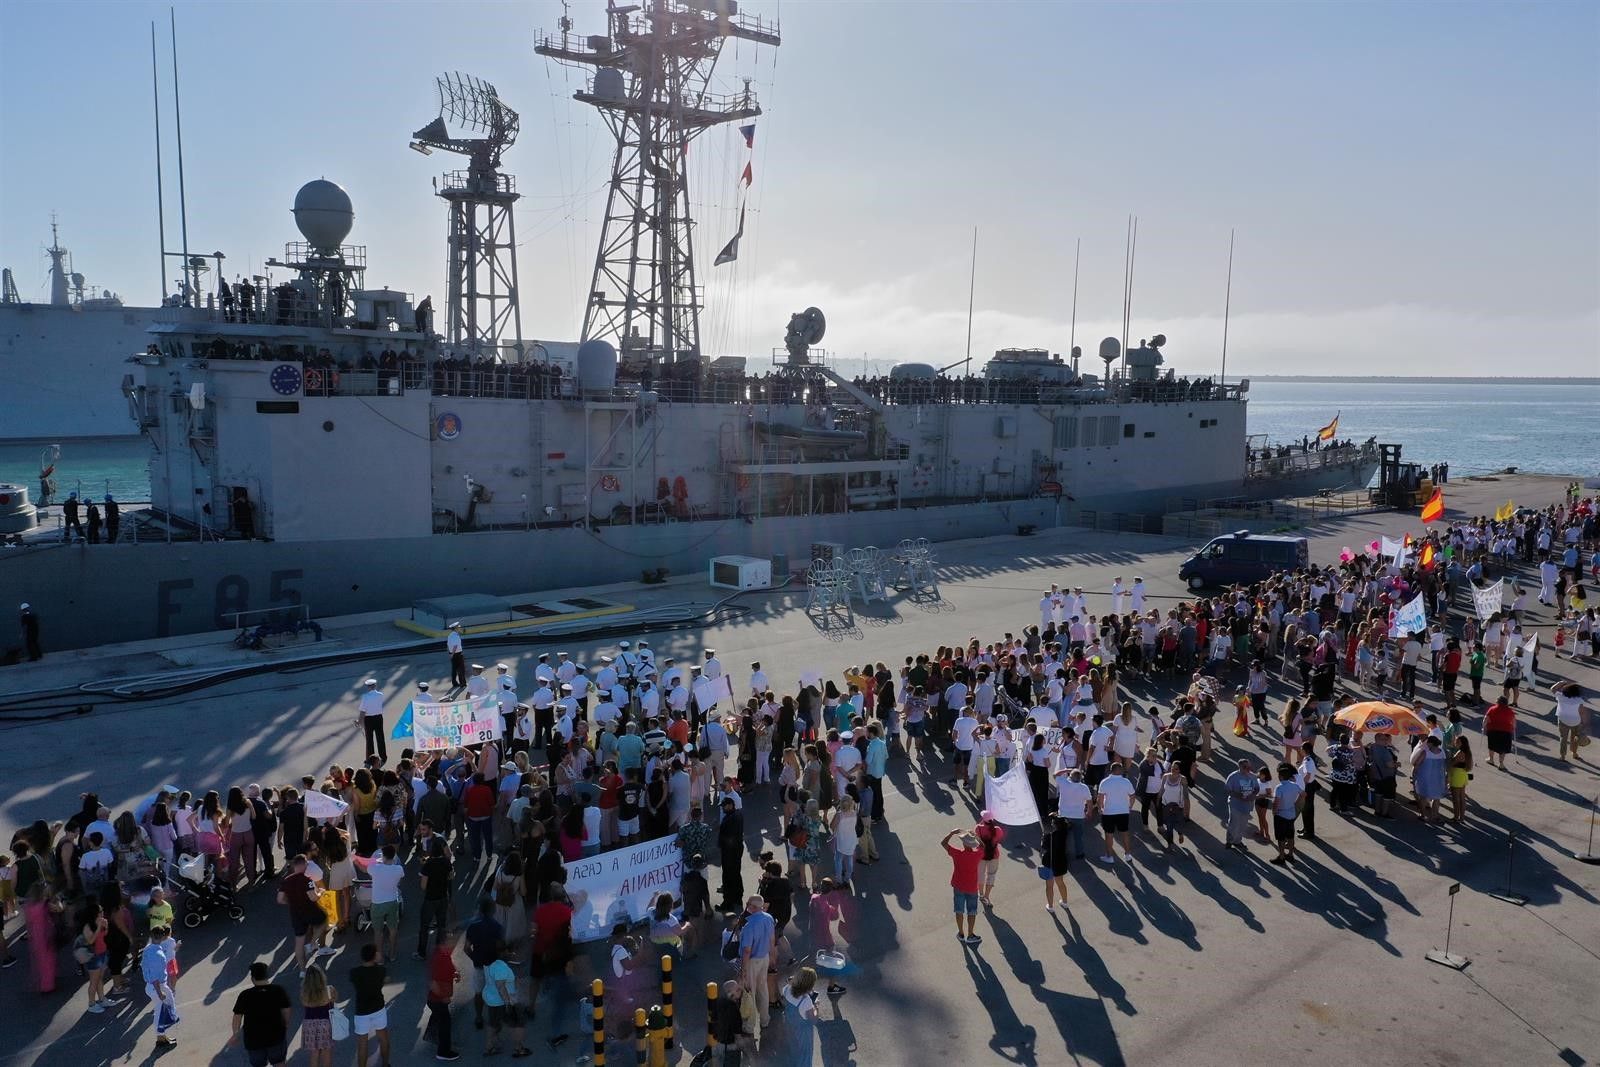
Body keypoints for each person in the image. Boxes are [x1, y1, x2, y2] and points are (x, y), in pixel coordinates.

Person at [229, 961, 293, 1067]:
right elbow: (287, 1010)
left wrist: (235, 1034)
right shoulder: (278, 990)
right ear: (266, 976)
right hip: (276, 1036)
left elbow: (237, 1016)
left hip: (254, 1041)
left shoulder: (245, 995)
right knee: (280, 1063)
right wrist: (285, 1024)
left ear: (252, 978)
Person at [737, 896, 776, 1041]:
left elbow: (747, 951)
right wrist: (772, 955)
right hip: (764, 957)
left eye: (748, 904)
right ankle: (765, 1020)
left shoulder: (749, 926)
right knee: (763, 988)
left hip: (752, 961)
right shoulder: (768, 918)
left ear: (752, 906)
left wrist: (743, 970)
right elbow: (772, 938)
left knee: (750, 992)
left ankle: (749, 1026)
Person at [481, 943, 530, 1057]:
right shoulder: (500, 966)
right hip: (502, 1001)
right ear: (500, 953)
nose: (509, 953)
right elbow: (501, 986)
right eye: (506, 951)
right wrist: (508, 1003)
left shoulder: (488, 963)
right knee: (517, 1023)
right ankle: (519, 1049)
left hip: (491, 998)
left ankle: (489, 1047)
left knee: (493, 1023)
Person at [350, 943, 392, 1067]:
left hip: (361, 1012)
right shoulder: (381, 971)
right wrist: (379, 961)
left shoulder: (355, 973)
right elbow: (386, 979)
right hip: (378, 1009)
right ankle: (385, 1064)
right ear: (374, 956)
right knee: (383, 1038)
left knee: (362, 1044)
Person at [941, 828, 983, 944]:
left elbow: (943, 843)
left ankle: (961, 933)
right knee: (972, 911)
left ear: (964, 844)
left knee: (959, 910)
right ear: (973, 844)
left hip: (958, 885)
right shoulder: (977, 854)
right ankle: (970, 935)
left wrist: (951, 833)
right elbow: (983, 847)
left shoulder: (957, 853)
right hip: (972, 887)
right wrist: (976, 836)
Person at [141, 924, 180, 1048]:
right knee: (160, 1012)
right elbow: (155, 977)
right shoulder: (158, 954)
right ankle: (160, 1038)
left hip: (153, 986)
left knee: (167, 1005)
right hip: (157, 987)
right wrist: (159, 992)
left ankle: (162, 1036)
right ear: (163, 937)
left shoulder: (148, 948)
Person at [1095, 760, 1136, 864]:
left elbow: (1100, 798)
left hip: (1108, 812)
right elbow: (1132, 796)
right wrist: (1129, 807)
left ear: (1111, 770)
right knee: (1125, 833)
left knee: (1109, 835)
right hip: (1123, 812)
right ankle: (1127, 855)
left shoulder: (1105, 782)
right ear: (1121, 770)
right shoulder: (1126, 782)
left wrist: (1100, 809)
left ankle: (1109, 857)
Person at [780, 967, 820, 1067]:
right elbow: (813, 1020)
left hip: (789, 1027)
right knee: (804, 1059)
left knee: (791, 1053)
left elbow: (783, 1001)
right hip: (803, 1035)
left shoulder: (787, 989)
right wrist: (816, 1006)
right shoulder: (806, 1001)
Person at [300, 966, 337, 1067]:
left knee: (314, 1053)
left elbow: (304, 1004)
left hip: (309, 1024)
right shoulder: (329, 989)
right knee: (326, 1053)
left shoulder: (304, 993)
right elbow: (334, 1000)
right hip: (325, 1023)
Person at [1270, 763, 1303, 865]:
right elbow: (1304, 794)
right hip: (1291, 814)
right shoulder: (1295, 785)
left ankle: (1281, 856)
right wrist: (1294, 803)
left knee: (1280, 837)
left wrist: (1274, 811)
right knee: (1290, 836)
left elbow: (1277, 801)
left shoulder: (1279, 788)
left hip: (1281, 815)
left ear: (1281, 776)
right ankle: (1290, 854)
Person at [1222, 757, 1259, 850]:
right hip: (1235, 804)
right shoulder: (1233, 776)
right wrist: (1239, 795)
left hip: (1247, 805)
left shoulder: (1253, 777)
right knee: (1233, 823)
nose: (1248, 769)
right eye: (1245, 767)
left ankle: (1237, 841)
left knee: (1243, 824)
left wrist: (1253, 794)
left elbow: (1257, 788)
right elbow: (1228, 789)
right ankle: (1229, 841)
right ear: (1240, 767)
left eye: (1249, 766)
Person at [1551, 681, 1590, 762]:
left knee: (1563, 737)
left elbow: (1552, 688)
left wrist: (1561, 682)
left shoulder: (1560, 696)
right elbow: (1581, 712)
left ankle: (1562, 756)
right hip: (1575, 721)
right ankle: (1574, 753)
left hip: (1563, 720)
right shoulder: (1579, 700)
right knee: (1574, 738)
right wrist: (1584, 723)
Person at [1039, 813, 1071, 911]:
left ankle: (1050, 906)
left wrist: (1043, 837)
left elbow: (1043, 847)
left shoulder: (1049, 836)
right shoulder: (1064, 832)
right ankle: (1065, 902)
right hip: (1060, 861)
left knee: (1049, 886)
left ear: (1054, 824)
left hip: (1049, 862)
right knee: (1060, 882)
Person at [973, 812, 1005, 905]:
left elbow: (976, 841)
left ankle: (981, 894)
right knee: (991, 875)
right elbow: (999, 840)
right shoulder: (997, 830)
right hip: (994, 855)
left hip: (981, 855)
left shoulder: (978, 828)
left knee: (980, 875)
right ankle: (987, 896)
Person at [357, 679, 387, 764]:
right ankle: (383, 757)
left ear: (368, 687)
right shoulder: (381, 695)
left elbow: (363, 711)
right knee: (380, 738)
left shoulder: (365, 697)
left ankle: (370, 759)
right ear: (375, 685)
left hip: (369, 719)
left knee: (369, 740)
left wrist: (359, 721)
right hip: (379, 717)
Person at [1483, 695, 1516, 770]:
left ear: (1498, 702)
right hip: (1506, 731)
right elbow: (1513, 722)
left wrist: (1484, 726)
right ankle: (1501, 764)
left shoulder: (1492, 709)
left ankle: (1491, 759)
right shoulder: (1510, 711)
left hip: (1493, 730)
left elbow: (1486, 719)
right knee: (1503, 748)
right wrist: (1513, 728)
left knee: (1492, 745)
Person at [1448, 735, 1474, 825]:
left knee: (1456, 799)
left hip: (1457, 775)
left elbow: (1452, 763)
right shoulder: (1467, 752)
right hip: (1463, 775)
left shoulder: (1460, 753)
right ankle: (1462, 818)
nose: (1455, 742)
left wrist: (1451, 758)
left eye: (1457, 742)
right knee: (1462, 798)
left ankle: (1456, 817)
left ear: (1462, 743)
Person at [447, 622, 467, 689]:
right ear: (455, 628)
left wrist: (451, 654)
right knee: (461, 669)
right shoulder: (455, 636)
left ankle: (454, 683)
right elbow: (455, 646)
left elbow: (449, 645)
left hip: (452, 653)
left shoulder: (450, 635)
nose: (459, 628)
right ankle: (463, 683)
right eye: (458, 627)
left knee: (454, 669)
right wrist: (452, 654)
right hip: (457, 654)